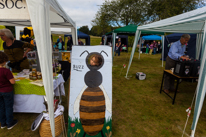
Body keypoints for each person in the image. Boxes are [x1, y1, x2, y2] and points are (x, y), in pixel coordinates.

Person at [0, 51, 17, 130]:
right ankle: (9, 123)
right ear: (4, 60)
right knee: (8, 107)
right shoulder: (6, 71)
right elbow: (12, 82)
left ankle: (3, 123)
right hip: (7, 91)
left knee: (1, 107)